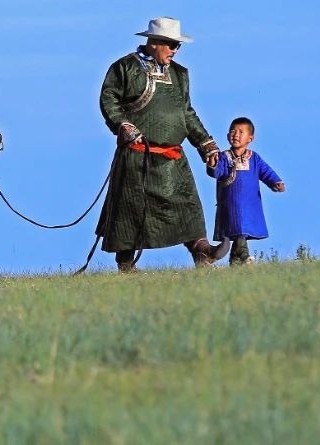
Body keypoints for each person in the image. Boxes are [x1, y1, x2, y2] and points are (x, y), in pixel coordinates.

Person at [97, 17, 228, 272]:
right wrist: (123, 125)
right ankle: (125, 263)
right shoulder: (124, 68)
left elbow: (186, 113)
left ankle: (202, 251)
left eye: (177, 46)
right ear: (154, 42)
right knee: (131, 211)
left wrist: (206, 144)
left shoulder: (180, 74)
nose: (175, 50)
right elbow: (109, 99)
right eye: (170, 45)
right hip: (137, 156)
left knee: (187, 204)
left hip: (173, 158)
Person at [207, 117, 286, 266]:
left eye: (241, 132)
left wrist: (276, 182)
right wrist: (212, 164)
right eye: (232, 131)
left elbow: (266, 172)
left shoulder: (254, 158)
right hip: (229, 204)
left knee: (242, 229)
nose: (235, 135)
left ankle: (237, 260)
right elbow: (217, 172)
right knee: (238, 230)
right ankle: (243, 257)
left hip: (250, 205)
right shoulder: (224, 157)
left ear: (250, 138)